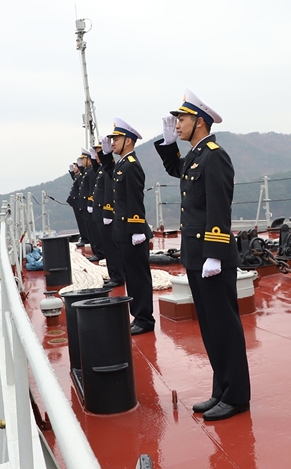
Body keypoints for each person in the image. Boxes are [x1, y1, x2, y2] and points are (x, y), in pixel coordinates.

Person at [154, 88, 251, 422]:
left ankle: (236, 397)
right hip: (197, 256)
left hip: (213, 257)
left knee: (224, 327)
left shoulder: (214, 156)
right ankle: (221, 390)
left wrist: (214, 254)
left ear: (199, 121)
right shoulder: (196, 157)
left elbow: (219, 208)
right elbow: (176, 169)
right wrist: (168, 145)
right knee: (210, 328)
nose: (177, 124)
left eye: (182, 119)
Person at [99, 118, 155, 335]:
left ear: (128, 141)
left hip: (133, 232)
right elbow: (111, 174)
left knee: (138, 277)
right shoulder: (123, 165)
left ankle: (145, 319)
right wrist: (105, 156)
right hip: (124, 231)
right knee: (132, 276)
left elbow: (134, 199)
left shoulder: (131, 166)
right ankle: (138, 316)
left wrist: (138, 230)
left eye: (116, 138)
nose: (112, 142)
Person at [92, 143, 125, 288]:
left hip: (107, 213)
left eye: (99, 152)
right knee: (108, 247)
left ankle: (117, 276)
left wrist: (107, 211)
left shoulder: (108, 170)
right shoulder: (102, 169)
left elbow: (109, 191)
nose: (97, 156)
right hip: (101, 212)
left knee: (112, 248)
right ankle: (113, 275)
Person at [80, 146, 105, 261]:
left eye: (83, 159)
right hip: (89, 203)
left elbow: (93, 188)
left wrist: (91, 201)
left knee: (95, 231)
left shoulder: (93, 171)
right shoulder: (88, 171)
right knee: (91, 230)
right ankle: (97, 251)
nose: (81, 162)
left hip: (95, 204)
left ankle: (99, 252)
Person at [67, 153, 90, 247]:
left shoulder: (83, 175)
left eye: (76, 165)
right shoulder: (79, 176)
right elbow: (75, 178)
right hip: (76, 201)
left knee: (83, 222)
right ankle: (85, 238)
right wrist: (71, 171)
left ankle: (86, 238)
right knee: (81, 221)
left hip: (80, 201)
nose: (75, 167)